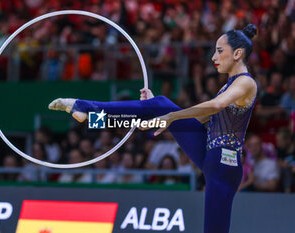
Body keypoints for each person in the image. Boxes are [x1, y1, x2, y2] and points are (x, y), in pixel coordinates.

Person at [49, 24, 258, 233]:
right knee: (158, 104)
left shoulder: (246, 83)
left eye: (219, 51)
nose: (214, 57)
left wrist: (170, 116)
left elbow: (215, 105)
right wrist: (157, 114)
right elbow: (205, 116)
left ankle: (94, 112)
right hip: (211, 153)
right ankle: (91, 113)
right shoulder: (228, 85)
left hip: (224, 162)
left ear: (238, 53)